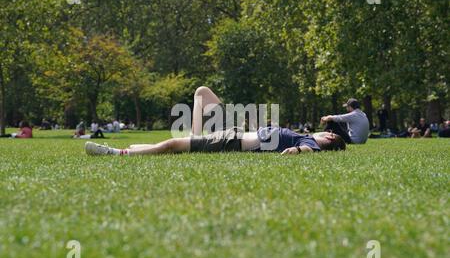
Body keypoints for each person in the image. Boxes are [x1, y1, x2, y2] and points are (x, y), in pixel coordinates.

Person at [85, 86, 346, 156]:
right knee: (202, 92)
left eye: (330, 134)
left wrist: (296, 150)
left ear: (330, 140)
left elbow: (303, 151)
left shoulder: (312, 144)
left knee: (172, 145)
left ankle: (118, 153)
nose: (327, 133)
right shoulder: (309, 137)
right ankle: (134, 150)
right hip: (236, 132)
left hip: (234, 141)